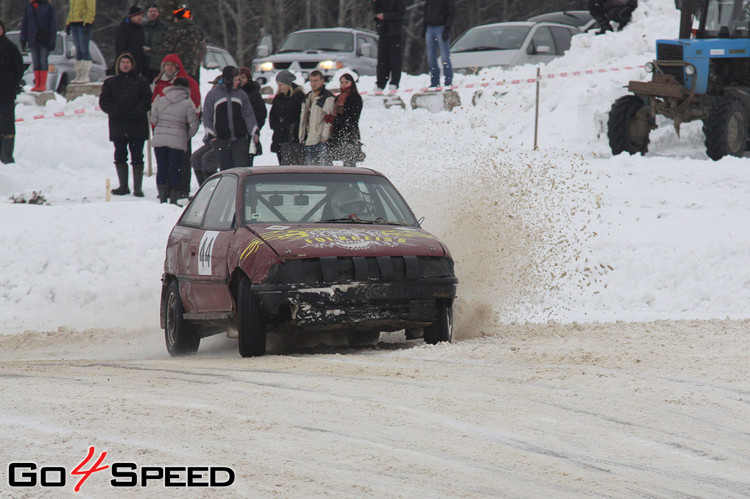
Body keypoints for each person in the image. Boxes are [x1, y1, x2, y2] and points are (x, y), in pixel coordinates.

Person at [99, 53, 152, 197]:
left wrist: (135, 113)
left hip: (137, 125)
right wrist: (117, 112)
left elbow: (146, 100)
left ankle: (137, 188)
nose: (125, 64)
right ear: (118, 65)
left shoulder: (142, 82)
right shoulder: (110, 83)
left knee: (137, 156)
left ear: (132, 64)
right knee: (120, 155)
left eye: (128, 62)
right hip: (118, 125)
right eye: (122, 62)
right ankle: (123, 186)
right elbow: (104, 102)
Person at [152, 53, 200, 197]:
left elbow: (195, 105)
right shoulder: (160, 83)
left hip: (181, 127)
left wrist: (187, 130)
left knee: (182, 162)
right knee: (165, 163)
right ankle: (167, 190)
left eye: (172, 65)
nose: (170, 68)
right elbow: (154, 107)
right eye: (167, 65)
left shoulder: (189, 82)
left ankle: (181, 189)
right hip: (166, 129)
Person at [202, 66, 258, 171]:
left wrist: (254, 131)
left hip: (239, 139)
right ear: (229, 80)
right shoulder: (213, 94)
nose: (239, 82)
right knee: (225, 170)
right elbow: (207, 115)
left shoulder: (241, 94)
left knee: (240, 169)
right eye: (236, 80)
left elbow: (248, 114)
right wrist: (211, 133)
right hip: (221, 140)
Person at [158, 8, 206, 82]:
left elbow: (166, 48)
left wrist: (151, 51)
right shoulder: (197, 31)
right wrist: (195, 62)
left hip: (175, 69)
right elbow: (203, 50)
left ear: (176, 19)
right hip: (192, 70)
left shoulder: (174, 30)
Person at [0, 19, 24, 164]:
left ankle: (7, 155)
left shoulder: (10, 47)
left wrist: (12, 83)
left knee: (7, 124)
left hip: (6, 93)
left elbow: (18, 69)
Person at [269, 70, 305, 165]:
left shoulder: (299, 97)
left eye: (281, 85)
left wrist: (292, 129)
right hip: (280, 138)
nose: (279, 87)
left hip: (293, 139)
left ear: (287, 84)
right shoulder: (278, 97)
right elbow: (272, 114)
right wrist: (275, 125)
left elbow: (301, 116)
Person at [298, 70, 335, 165]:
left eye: (316, 80)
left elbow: (329, 118)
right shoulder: (307, 97)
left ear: (322, 81)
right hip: (308, 139)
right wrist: (302, 136)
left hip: (320, 140)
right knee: (310, 171)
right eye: (311, 80)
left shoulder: (327, 97)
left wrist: (324, 137)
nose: (313, 83)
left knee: (323, 170)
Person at [20, 0, 58, 92]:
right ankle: (37, 84)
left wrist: (52, 41)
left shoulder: (48, 7)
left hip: (44, 39)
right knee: (36, 62)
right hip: (33, 39)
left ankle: (42, 85)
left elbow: (53, 25)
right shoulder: (29, 6)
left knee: (43, 62)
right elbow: (25, 23)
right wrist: (23, 38)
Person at [328, 73, 364, 168]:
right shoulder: (338, 98)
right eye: (342, 82)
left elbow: (354, 117)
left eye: (346, 82)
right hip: (337, 132)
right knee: (332, 158)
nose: (343, 84)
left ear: (351, 83)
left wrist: (342, 119)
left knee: (349, 161)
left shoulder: (355, 97)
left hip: (349, 132)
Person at [372, 0, 405, 91]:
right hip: (383, 31)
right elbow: (376, 12)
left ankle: (394, 82)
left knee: (395, 59)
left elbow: (401, 13)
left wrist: (385, 16)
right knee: (382, 59)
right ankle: (380, 83)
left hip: (395, 32)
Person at [423, 0, 455, 88]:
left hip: (442, 27)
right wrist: (424, 29)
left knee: (444, 56)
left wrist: (447, 29)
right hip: (430, 27)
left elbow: (451, 13)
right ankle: (434, 81)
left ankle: (448, 80)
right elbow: (425, 13)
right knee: (431, 57)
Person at [239, 67, 267, 166]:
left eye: (243, 77)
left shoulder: (254, 94)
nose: (241, 80)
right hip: (237, 133)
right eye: (239, 78)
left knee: (247, 162)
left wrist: (255, 129)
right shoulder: (234, 93)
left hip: (249, 133)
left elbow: (261, 113)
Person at [65, 0, 95, 85]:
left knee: (84, 50)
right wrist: (68, 23)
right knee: (78, 51)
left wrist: (88, 22)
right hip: (74, 23)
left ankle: (84, 75)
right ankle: (79, 74)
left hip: (83, 24)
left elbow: (91, 8)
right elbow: (71, 10)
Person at [114, 6, 147, 77]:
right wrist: (124, 59)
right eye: (138, 15)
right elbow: (119, 46)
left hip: (139, 64)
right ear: (132, 16)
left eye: (141, 15)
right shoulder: (123, 28)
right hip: (127, 63)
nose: (140, 18)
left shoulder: (141, 28)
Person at [142, 2, 169, 83]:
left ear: (158, 13)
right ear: (147, 13)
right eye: (151, 11)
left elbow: (167, 46)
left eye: (155, 11)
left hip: (157, 65)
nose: (153, 13)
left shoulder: (164, 27)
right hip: (143, 64)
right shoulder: (142, 27)